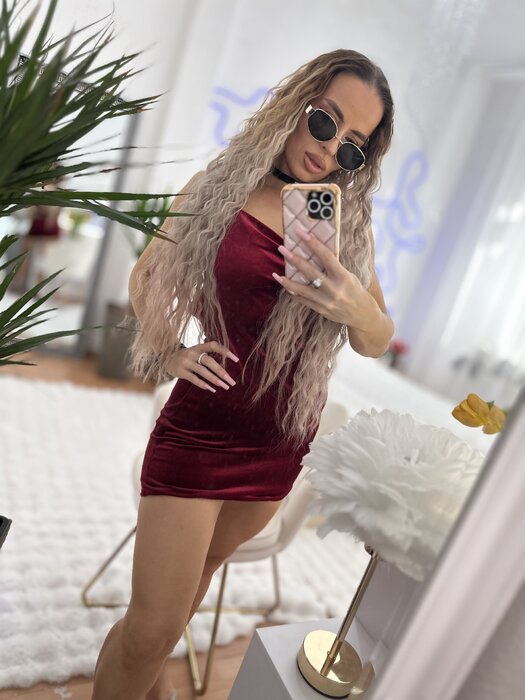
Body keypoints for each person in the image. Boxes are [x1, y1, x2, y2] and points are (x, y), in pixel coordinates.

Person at [90, 48, 395, 700]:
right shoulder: (217, 189)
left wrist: (352, 303)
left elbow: (375, 340)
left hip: (278, 443)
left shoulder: (346, 230)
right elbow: (147, 277)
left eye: (351, 147)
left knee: (179, 605)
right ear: (295, 106)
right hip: (201, 429)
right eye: (325, 121)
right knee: (151, 629)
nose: (329, 148)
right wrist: (171, 351)